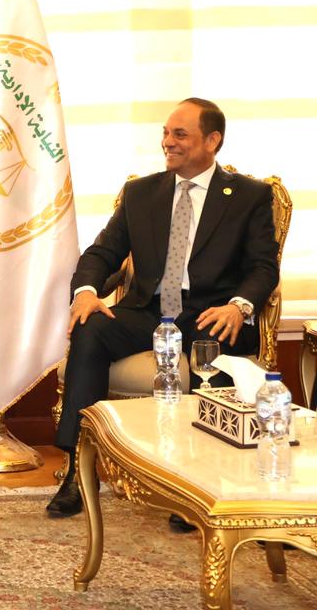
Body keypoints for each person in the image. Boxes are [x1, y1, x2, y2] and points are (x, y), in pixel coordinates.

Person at [48, 98, 279, 521]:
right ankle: (77, 470)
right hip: (149, 310)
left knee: (211, 346)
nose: (167, 142)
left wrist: (238, 306)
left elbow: (263, 267)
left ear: (212, 140)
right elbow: (102, 253)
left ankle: (200, 484)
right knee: (91, 328)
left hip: (211, 313)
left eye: (180, 134)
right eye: (166, 133)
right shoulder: (142, 193)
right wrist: (85, 291)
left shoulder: (248, 196)